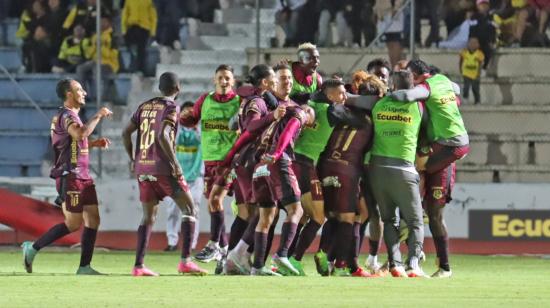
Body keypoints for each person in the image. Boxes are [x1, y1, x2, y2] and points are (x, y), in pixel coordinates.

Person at [22, 79, 112, 275]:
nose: (84, 92)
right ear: (69, 94)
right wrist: (98, 115)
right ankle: (33, 248)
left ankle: (84, 267)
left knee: (94, 219)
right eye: (79, 89)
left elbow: (71, 143)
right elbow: (79, 135)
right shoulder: (66, 116)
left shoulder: (70, 117)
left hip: (83, 176)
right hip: (70, 177)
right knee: (73, 224)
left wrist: (94, 144)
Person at [391, 59, 470, 278]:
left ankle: (443, 266)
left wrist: (388, 96)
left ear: (417, 77)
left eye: (409, 77)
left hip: (445, 153)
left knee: (432, 214)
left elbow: (408, 95)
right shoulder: (442, 82)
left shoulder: (424, 91)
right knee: (414, 205)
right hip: (442, 147)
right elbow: (456, 88)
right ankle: (414, 256)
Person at [122, 72, 207, 276]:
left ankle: (138, 266)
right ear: (178, 89)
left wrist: (133, 159)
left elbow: (125, 132)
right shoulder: (171, 108)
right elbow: (162, 135)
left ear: (159, 88)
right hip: (163, 169)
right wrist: (175, 162)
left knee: (148, 216)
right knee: (189, 209)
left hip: (143, 168)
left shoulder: (144, 106)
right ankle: (185, 261)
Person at [250, 66, 315, 276]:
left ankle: (257, 266)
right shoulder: (295, 111)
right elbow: (286, 135)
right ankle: (282, 254)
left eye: (289, 78)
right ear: (273, 82)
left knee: (266, 215)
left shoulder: (273, 109)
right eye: (282, 78)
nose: (287, 81)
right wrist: (278, 154)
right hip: (278, 161)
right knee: (296, 210)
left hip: (261, 165)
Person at [222, 64, 285, 275]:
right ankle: (238, 256)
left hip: (245, 160)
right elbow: (251, 126)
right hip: (250, 159)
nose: (276, 81)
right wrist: (273, 116)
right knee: (264, 210)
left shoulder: (257, 99)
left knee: (248, 213)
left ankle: (234, 259)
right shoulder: (256, 102)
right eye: (273, 79)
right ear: (265, 82)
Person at [369, 70, 428, 278]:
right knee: (416, 222)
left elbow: (356, 102)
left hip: (376, 170)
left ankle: (395, 264)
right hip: (403, 169)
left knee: (389, 219)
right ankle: (413, 265)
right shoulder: (418, 106)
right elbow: (426, 135)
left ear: (393, 85)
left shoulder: (378, 104)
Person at [180, 65, 241, 267]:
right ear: (214, 80)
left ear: (233, 81)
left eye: (228, 78)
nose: (224, 81)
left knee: (215, 200)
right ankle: (224, 251)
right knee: (214, 204)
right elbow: (192, 120)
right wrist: (178, 116)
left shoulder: (239, 102)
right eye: (221, 78)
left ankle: (215, 244)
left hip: (228, 161)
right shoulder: (205, 100)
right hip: (209, 161)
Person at [164, 101, 203, 252]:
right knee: (172, 210)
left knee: (194, 210)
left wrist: (195, 122)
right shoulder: (176, 131)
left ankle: (192, 244)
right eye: (185, 112)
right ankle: (172, 241)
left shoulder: (199, 131)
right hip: (176, 176)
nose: (188, 115)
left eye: (191, 113)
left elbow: (201, 137)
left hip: (195, 177)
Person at [76, 16, 119, 100]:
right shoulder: (95, 36)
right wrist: (94, 47)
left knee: (97, 68)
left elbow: (114, 55)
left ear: (109, 23)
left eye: (104, 21)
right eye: (100, 21)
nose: (101, 23)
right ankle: (83, 96)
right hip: (95, 62)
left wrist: (101, 47)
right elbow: (89, 55)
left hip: (109, 64)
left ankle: (98, 96)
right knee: (80, 68)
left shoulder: (113, 36)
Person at [121, 0, 157, 74]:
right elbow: (125, 15)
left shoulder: (148, 1)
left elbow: (153, 16)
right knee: (131, 47)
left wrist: (153, 32)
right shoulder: (129, 1)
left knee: (141, 48)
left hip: (144, 28)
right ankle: (133, 66)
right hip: (132, 27)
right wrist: (124, 30)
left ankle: (141, 68)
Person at [460, 37, 485, 104]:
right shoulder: (464, 52)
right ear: (468, 44)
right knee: (466, 87)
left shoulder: (479, 54)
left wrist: (478, 73)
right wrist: (461, 70)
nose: (472, 45)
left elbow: (480, 64)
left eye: (475, 43)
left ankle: (477, 101)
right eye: (471, 43)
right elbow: (461, 61)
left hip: (475, 74)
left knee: (475, 88)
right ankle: (465, 98)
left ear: (478, 45)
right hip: (466, 73)